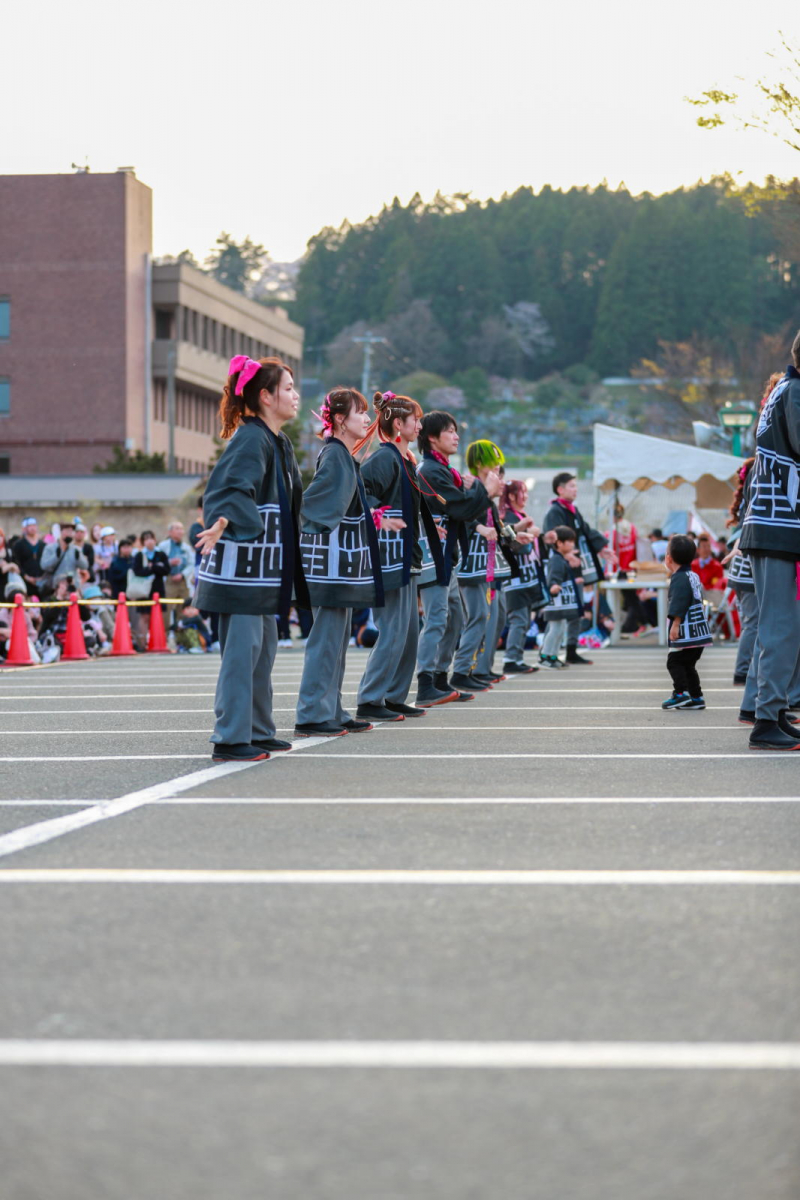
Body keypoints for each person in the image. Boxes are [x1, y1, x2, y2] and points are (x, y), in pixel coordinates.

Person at [195, 355, 308, 763]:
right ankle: (230, 737)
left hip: (263, 571)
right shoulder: (251, 438)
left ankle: (258, 730)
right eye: (289, 388)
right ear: (265, 395)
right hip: (242, 571)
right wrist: (227, 522)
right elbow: (227, 491)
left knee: (263, 652)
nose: (295, 396)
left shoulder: (276, 440)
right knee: (242, 655)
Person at [355, 391, 447, 722]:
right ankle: (370, 698)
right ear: (398, 424)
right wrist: (381, 514)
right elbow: (360, 493)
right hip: (389, 555)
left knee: (409, 631)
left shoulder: (405, 460)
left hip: (407, 555)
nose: (420, 425)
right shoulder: (384, 458)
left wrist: (430, 523)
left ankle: (393, 696)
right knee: (393, 629)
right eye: (416, 420)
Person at [295, 387, 382, 736]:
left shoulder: (344, 454)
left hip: (341, 564)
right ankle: (313, 712)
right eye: (359, 412)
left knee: (337, 639)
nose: (366, 419)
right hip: (328, 564)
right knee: (326, 639)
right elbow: (314, 504)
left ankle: (332, 707)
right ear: (341, 420)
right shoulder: (334, 454)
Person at [738, 340, 800, 751]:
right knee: (780, 626)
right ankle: (766, 718)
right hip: (779, 524)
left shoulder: (783, 388)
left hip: (770, 521)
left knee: (778, 626)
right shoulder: (794, 392)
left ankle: (774, 711)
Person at [415, 410, 490, 704]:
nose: (456, 436)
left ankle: (440, 679)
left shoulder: (444, 470)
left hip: (447, 555)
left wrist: (476, 491)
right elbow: (457, 508)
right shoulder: (429, 471)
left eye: (456, 430)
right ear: (432, 437)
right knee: (436, 619)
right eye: (449, 431)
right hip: (434, 555)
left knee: (454, 618)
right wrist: (483, 490)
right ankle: (425, 683)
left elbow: (462, 508)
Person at [450, 440, 510, 692]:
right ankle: (462, 670)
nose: (497, 466)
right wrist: (479, 527)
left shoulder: (485, 488)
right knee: (477, 616)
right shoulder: (470, 485)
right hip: (470, 563)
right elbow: (461, 515)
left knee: (483, 615)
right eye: (491, 461)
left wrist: (513, 535)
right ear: (478, 462)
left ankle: (470, 669)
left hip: (484, 563)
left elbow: (494, 525)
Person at [543, 472, 617, 664]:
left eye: (576, 486)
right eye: (571, 486)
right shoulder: (555, 512)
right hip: (560, 570)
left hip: (575, 567)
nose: (575, 489)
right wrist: (565, 554)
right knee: (559, 616)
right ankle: (548, 654)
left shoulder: (573, 511)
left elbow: (587, 531)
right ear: (560, 489)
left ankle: (571, 650)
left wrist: (602, 549)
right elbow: (550, 538)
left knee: (576, 611)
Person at [660, 534, 712, 711]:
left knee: (674, 662)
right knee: (688, 664)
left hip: (685, 631)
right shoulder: (693, 575)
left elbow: (679, 602)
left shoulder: (679, 578)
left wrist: (675, 624)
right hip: (699, 630)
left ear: (669, 558)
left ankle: (681, 693)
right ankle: (696, 696)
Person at [499, 479, 543, 674]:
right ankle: (511, 659)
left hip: (525, 576)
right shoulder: (507, 516)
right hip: (514, 578)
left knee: (524, 620)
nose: (525, 496)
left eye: (526, 492)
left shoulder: (518, 515)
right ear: (510, 496)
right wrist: (526, 531)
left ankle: (516, 658)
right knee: (518, 619)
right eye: (521, 492)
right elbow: (512, 545)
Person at [724, 459, 757, 685]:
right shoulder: (755, 500)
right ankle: (742, 670)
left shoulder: (747, 500)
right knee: (753, 623)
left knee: (750, 623)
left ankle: (744, 668)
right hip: (748, 570)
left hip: (740, 571)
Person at [539, 526, 581, 667]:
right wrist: (553, 585)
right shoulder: (556, 559)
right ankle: (546, 655)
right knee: (555, 629)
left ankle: (554, 655)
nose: (572, 544)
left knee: (560, 629)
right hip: (555, 601)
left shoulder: (561, 558)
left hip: (561, 601)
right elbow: (553, 575)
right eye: (568, 541)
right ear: (559, 543)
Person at [39, 520, 89, 595]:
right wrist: (56, 556)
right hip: (56, 588)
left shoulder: (76, 549)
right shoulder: (50, 548)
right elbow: (44, 566)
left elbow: (85, 566)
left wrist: (79, 557)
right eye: (67, 531)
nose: (70, 534)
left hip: (73, 587)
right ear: (61, 532)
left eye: (72, 531)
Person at [12, 517, 45, 594]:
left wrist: (42, 577)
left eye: (34, 525)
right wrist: (26, 577)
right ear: (25, 528)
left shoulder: (43, 545)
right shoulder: (18, 545)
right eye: (30, 526)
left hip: (41, 580)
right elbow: (16, 562)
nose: (32, 528)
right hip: (25, 581)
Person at [691, 533, 725, 607]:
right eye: (704, 546)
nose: (707, 549)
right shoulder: (692, 565)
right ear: (698, 550)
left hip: (711, 600)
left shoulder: (717, 566)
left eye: (708, 546)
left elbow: (717, 585)